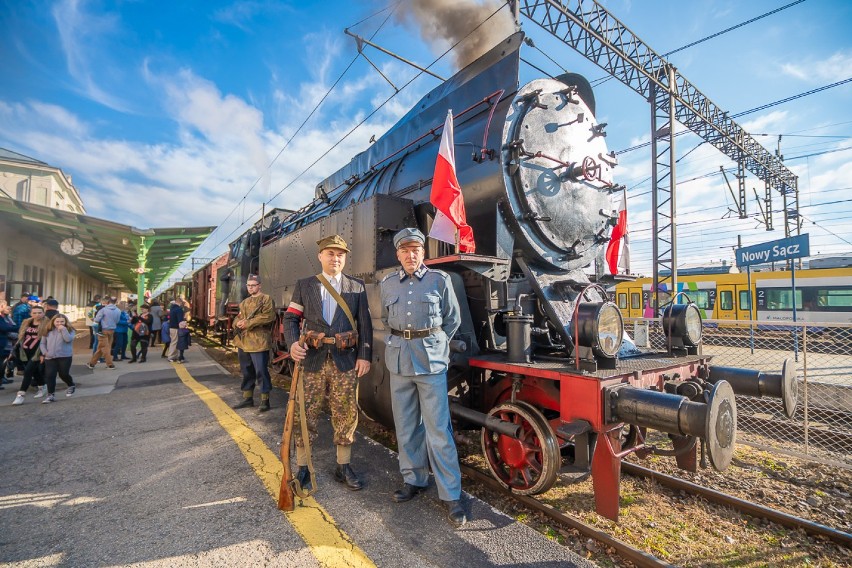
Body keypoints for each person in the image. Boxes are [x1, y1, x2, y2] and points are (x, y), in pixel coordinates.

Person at [380, 228, 466, 526]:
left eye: (415, 249)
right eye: (404, 250)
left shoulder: (439, 280)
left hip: (430, 363)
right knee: (405, 427)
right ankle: (414, 479)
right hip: (400, 362)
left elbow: (452, 320)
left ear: (422, 253)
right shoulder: (388, 284)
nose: (410, 255)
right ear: (397, 253)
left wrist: (435, 344)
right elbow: (385, 319)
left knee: (438, 430)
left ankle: (451, 494)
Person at [283, 234, 373, 492]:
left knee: (345, 412)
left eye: (340, 255)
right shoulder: (305, 285)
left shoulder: (356, 287)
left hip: (345, 360)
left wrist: (365, 355)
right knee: (305, 412)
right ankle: (302, 468)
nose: (335, 258)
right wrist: (292, 344)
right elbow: (290, 319)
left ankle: (343, 465)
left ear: (345, 258)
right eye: (330, 254)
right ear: (320, 256)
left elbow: (365, 324)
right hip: (312, 359)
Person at [231, 275, 276, 411]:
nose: (251, 288)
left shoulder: (266, 299)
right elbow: (238, 317)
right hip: (243, 342)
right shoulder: (244, 303)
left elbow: (269, 316)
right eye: (249, 285)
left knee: (261, 371)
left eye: (253, 285)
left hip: (259, 341)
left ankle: (265, 400)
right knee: (246, 371)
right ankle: (247, 398)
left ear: (259, 285)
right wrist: (237, 323)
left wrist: (248, 323)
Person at [35, 314, 77, 404]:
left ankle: (71, 385)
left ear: (65, 322)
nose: (59, 323)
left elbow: (68, 339)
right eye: (57, 321)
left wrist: (63, 330)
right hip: (50, 357)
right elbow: (42, 343)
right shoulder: (47, 330)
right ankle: (51, 395)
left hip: (65, 356)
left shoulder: (70, 330)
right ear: (53, 322)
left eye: (62, 321)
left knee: (63, 374)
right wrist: (45, 352)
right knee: (50, 375)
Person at [12, 304, 47, 403]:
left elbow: (48, 340)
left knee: (27, 372)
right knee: (34, 372)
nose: (37, 315)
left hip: (37, 352)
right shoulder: (26, 322)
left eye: (40, 313)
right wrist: (15, 349)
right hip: (25, 351)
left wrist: (43, 354)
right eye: (34, 313)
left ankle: (21, 395)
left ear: (43, 313)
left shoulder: (47, 324)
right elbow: (21, 336)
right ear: (31, 313)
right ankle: (42, 386)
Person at [87, 297, 121, 369]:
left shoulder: (103, 310)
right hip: (112, 330)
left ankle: (110, 364)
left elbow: (97, 320)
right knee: (102, 347)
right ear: (116, 302)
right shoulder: (118, 310)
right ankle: (92, 363)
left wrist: (94, 319)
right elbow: (117, 321)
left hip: (103, 331)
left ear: (108, 302)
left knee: (105, 348)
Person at [0, 301, 17, 385]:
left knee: (4, 361)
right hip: (3, 341)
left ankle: (2, 377)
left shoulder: (6, 317)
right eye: (6, 307)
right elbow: (5, 328)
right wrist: (18, 328)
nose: (9, 309)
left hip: (8, 342)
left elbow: (12, 326)